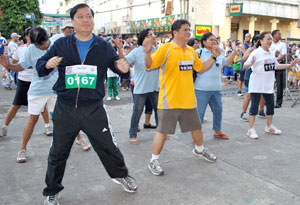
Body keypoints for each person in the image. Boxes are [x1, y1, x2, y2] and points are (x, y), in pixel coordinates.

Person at [36, 4, 137, 204]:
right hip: (65, 108)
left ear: (93, 19)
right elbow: (41, 67)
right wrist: (47, 64)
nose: (85, 20)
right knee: (58, 151)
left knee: (107, 146)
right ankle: (52, 191)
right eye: (80, 16)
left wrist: (123, 68)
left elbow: (120, 68)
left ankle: (121, 175)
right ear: (73, 22)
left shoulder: (103, 45)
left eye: (88, 16)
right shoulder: (61, 44)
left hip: (93, 109)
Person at [143, 20, 219, 176]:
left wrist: (213, 57)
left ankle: (199, 150)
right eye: (185, 30)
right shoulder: (165, 49)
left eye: (189, 30)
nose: (188, 32)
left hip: (188, 100)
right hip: (169, 100)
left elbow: (201, 68)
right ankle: (154, 160)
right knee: (163, 132)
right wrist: (147, 52)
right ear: (175, 32)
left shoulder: (191, 51)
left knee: (196, 128)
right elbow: (150, 65)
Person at [0, 27, 58, 163]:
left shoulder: (56, 45)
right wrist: (8, 66)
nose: (41, 47)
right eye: (38, 45)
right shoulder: (31, 49)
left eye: (43, 44)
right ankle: (22, 149)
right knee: (32, 119)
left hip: (55, 90)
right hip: (37, 90)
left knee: (61, 119)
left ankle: (65, 146)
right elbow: (21, 66)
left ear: (47, 38)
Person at [244, 32, 299, 139]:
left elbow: (276, 66)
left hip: (268, 85)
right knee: (254, 107)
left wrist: (290, 65)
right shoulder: (256, 53)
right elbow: (246, 65)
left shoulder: (270, 53)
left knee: (270, 106)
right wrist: (250, 63)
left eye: (270, 39)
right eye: (268, 39)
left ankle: (269, 126)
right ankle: (251, 129)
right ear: (261, 40)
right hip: (256, 85)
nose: (270, 41)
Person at [50, 19, 91, 151]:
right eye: (68, 28)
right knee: (62, 118)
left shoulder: (83, 41)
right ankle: (58, 143)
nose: (70, 30)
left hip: (79, 86)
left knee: (77, 114)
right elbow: (45, 60)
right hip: (61, 87)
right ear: (63, 29)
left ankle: (79, 138)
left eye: (71, 27)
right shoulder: (57, 42)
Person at [117, 29, 159, 145]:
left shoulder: (157, 51)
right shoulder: (136, 52)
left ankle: (161, 133)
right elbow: (125, 62)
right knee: (137, 111)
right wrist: (120, 50)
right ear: (143, 38)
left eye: (153, 35)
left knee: (159, 111)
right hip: (141, 87)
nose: (153, 37)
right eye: (150, 35)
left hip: (155, 86)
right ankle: (133, 134)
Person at [194, 32, 237, 140]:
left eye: (215, 40)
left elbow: (226, 63)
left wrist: (234, 52)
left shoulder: (218, 53)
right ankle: (197, 136)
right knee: (200, 113)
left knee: (218, 111)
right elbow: (200, 68)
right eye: (211, 40)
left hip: (216, 89)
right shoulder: (198, 53)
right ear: (204, 42)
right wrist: (213, 56)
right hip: (201, 89)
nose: (213, 41)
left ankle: (217, 130)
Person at [270, 30, 287, 108]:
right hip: (269, 65)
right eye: (279, 34)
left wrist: (275, 61)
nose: (280, 35)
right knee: (269, 83)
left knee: (279, 84)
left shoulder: (282, 44)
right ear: (274, 35)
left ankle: (278, 102)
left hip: (279, 65)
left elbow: (283, 55)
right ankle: (268, 100)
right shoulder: (269, 43)